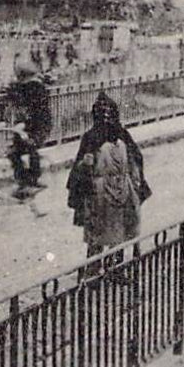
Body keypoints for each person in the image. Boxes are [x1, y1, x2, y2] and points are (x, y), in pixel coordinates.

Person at [68, 92, 151, 256]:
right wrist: (85, 165)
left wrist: (135, 183)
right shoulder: (93, 138)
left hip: (117, 193)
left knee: (116, 236)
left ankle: (113, 272)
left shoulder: (120, 136)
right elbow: (80, 169)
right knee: (99, 238)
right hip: (101, 196)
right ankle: (95, 275)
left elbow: (136, 162)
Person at [1, 62, 53, 195]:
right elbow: (5, 101)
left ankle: (34, 178)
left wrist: (25, 125)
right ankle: (23, 180)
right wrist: (1, 119)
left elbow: (39, 114)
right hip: (23, 126)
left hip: (39, 127)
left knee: (31, 146)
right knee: (13, 153)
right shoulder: (18, 88)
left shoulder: (39, 90)